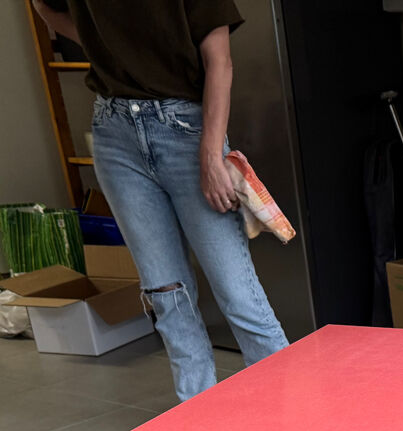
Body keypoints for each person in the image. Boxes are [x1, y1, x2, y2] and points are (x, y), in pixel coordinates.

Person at [31, 0, 288, 400]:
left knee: (236, 291)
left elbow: (220, 62)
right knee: (167, 295)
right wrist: (111, 46)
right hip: (115, 133)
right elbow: (48, 8)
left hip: (186, 129)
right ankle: (198, 423)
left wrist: (210, 156)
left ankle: (294, 418)